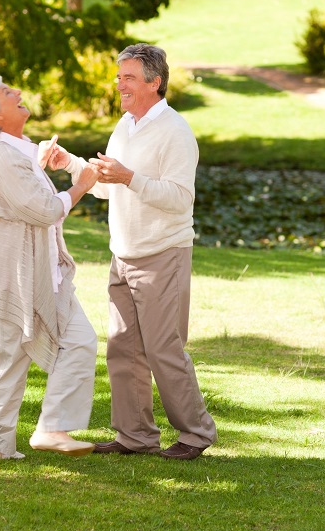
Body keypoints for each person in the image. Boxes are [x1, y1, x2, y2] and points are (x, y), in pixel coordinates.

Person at [63, 43, 217, 460]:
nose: (120, 85)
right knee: (123, 347)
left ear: (155, 82)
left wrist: (130, 177)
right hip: (123, 253)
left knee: (164, 347)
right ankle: (135, 436)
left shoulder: (176, 131)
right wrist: (71, 164)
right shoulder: (125, 126)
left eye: (129, 77)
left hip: (162, 252)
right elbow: (106, 187)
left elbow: (180, 197)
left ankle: (196, 434)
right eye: (119, 77)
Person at [0, 73, 101, 459]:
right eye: (7, 93)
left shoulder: (16, 150)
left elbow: (29, 197)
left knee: (77, 342)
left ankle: (47, 429)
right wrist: (81, 184)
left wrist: (40, 165)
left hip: (42, 275)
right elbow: (44, 209)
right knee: (11, 357)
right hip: (13, 278)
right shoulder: (0, 156)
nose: (17, 93)